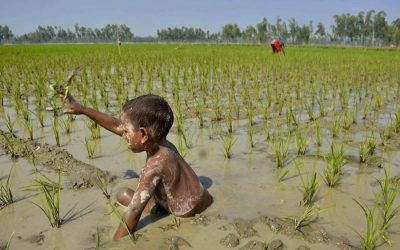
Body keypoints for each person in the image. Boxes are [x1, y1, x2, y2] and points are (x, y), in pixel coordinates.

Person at [61, 93, 213, 241]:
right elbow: (117, 126)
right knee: (124, 194)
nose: (122, 134)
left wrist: (115, 242)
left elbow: (134, 211)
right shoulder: (164, 145)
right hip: (202, 200)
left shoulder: (153, 166)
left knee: (123, 195)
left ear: (143, 134)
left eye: (126, 131)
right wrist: (83, 110)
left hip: (183, 213)